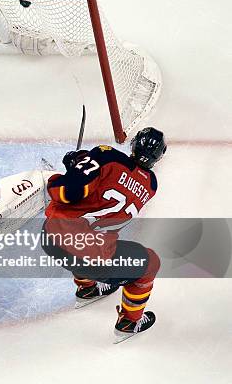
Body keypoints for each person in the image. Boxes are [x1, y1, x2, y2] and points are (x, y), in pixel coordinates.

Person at [41, 127, 166, 342]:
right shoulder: (151, 185)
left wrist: (74, 167)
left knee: (80, 237)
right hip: (92, 257)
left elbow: (67, 192)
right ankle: (129, 322)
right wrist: (84, 164)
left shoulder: (106, 155)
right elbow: (120, 181)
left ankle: (87, 289)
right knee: (149, 262)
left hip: (51, 238)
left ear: (134, 145)